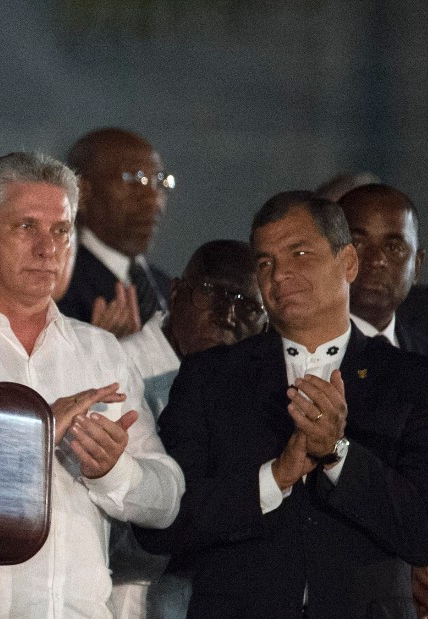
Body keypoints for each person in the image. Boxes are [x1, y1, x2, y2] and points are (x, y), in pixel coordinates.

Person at [136, 191, 428, 618]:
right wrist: (272, 478)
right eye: (266, 262)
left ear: (348, 263)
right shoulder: (210, 377)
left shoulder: (413, 379)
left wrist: (338, 454)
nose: (280, 274)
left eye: (300, 253)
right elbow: (162, 525)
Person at [0, 152, 184, 618]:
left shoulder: (100, 351)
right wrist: (36, 435)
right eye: (26, 227)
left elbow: (167, 496)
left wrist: (112, 471)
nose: (48, 248)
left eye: (61, 231)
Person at [108, 239, 266, 619]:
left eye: (247, 305)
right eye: (212, 293)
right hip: (121, 599)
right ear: (175, 292)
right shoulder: (116, 367)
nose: (227, 315)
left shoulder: (261, 397)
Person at [337, 184, 428, 618]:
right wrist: (397, 571)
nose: (374, 260)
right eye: (358, 241)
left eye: (394, 246)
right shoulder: (306, 351)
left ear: (417, 263)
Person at [57, 128, 174, 337]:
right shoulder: (58, 288)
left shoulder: (168, 288)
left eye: (160, 180)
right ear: (82, 191)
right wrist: (97, 349)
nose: (154, 199)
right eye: (134, 179)